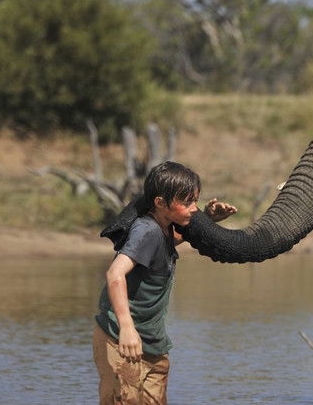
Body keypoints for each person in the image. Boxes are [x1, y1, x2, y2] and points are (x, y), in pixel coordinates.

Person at [92, 161, 237, 404]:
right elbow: (114, 275)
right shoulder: (146, 231)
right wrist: (127, 328)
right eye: (186, 202)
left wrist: (209, 219)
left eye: (195, 201)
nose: (194, 209)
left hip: (151, 342)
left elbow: (165, 245)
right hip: (121, 339)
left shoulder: (163, 227)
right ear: (160, 202)